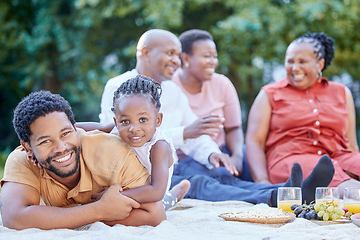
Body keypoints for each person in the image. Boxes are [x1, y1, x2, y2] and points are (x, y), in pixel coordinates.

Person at [98, 29, 335, 205]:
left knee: (218, 173)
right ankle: (278, 196)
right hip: (143, 172)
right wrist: (184, 133)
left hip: (174, 162)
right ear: (145, 52)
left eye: (178, 55)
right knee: (201, 183)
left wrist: (212, 153)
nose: (176, 61)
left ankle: (290, 191)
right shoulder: (119, 87)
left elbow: (195, 132)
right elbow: (120, 136)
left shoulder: (171, 89)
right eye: (170, 53)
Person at [245, 32, 360, 209]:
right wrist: (263, 181)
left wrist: (358, 162)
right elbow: (254, 141)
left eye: (302, 62)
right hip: (291, 159)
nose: (295, 67)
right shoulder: (269, 94)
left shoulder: (342, 92)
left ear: (320, 64)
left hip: (338, 153)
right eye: (290, 61)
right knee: (325, 173)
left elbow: (350, 144)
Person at [0, 91, 166, 230]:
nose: (61, 147)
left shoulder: (111, 152)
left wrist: (62, 215)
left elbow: (155, 213)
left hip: (159, 176)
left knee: (168, 198)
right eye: (45, 141)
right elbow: (14, 218)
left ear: (75, 128)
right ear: (28, 147)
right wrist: (98, 210)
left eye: (65, 133)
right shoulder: (22, 160)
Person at [172, 29, 251, 181]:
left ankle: (280, 188)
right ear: (186, 58)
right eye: (207, 56)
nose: (213, 61)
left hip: (221, 152)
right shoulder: (170, 87)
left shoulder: (222, 84)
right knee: (216, 177)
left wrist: (237, 157)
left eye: (215, 56)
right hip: (186, 159)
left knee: (250, 158)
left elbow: (233, 128)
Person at [110, 74, 189, 210]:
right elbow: (87, 128)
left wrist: (114, 196)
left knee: (155, 207)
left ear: (157, 120)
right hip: (127, 185)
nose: (134, 128)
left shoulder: (158, 146)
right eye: (125, 121)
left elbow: (156, 191)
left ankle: (175, 194)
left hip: (151, 193)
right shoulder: (119, 129)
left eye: (142, 120)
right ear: (116, 122)